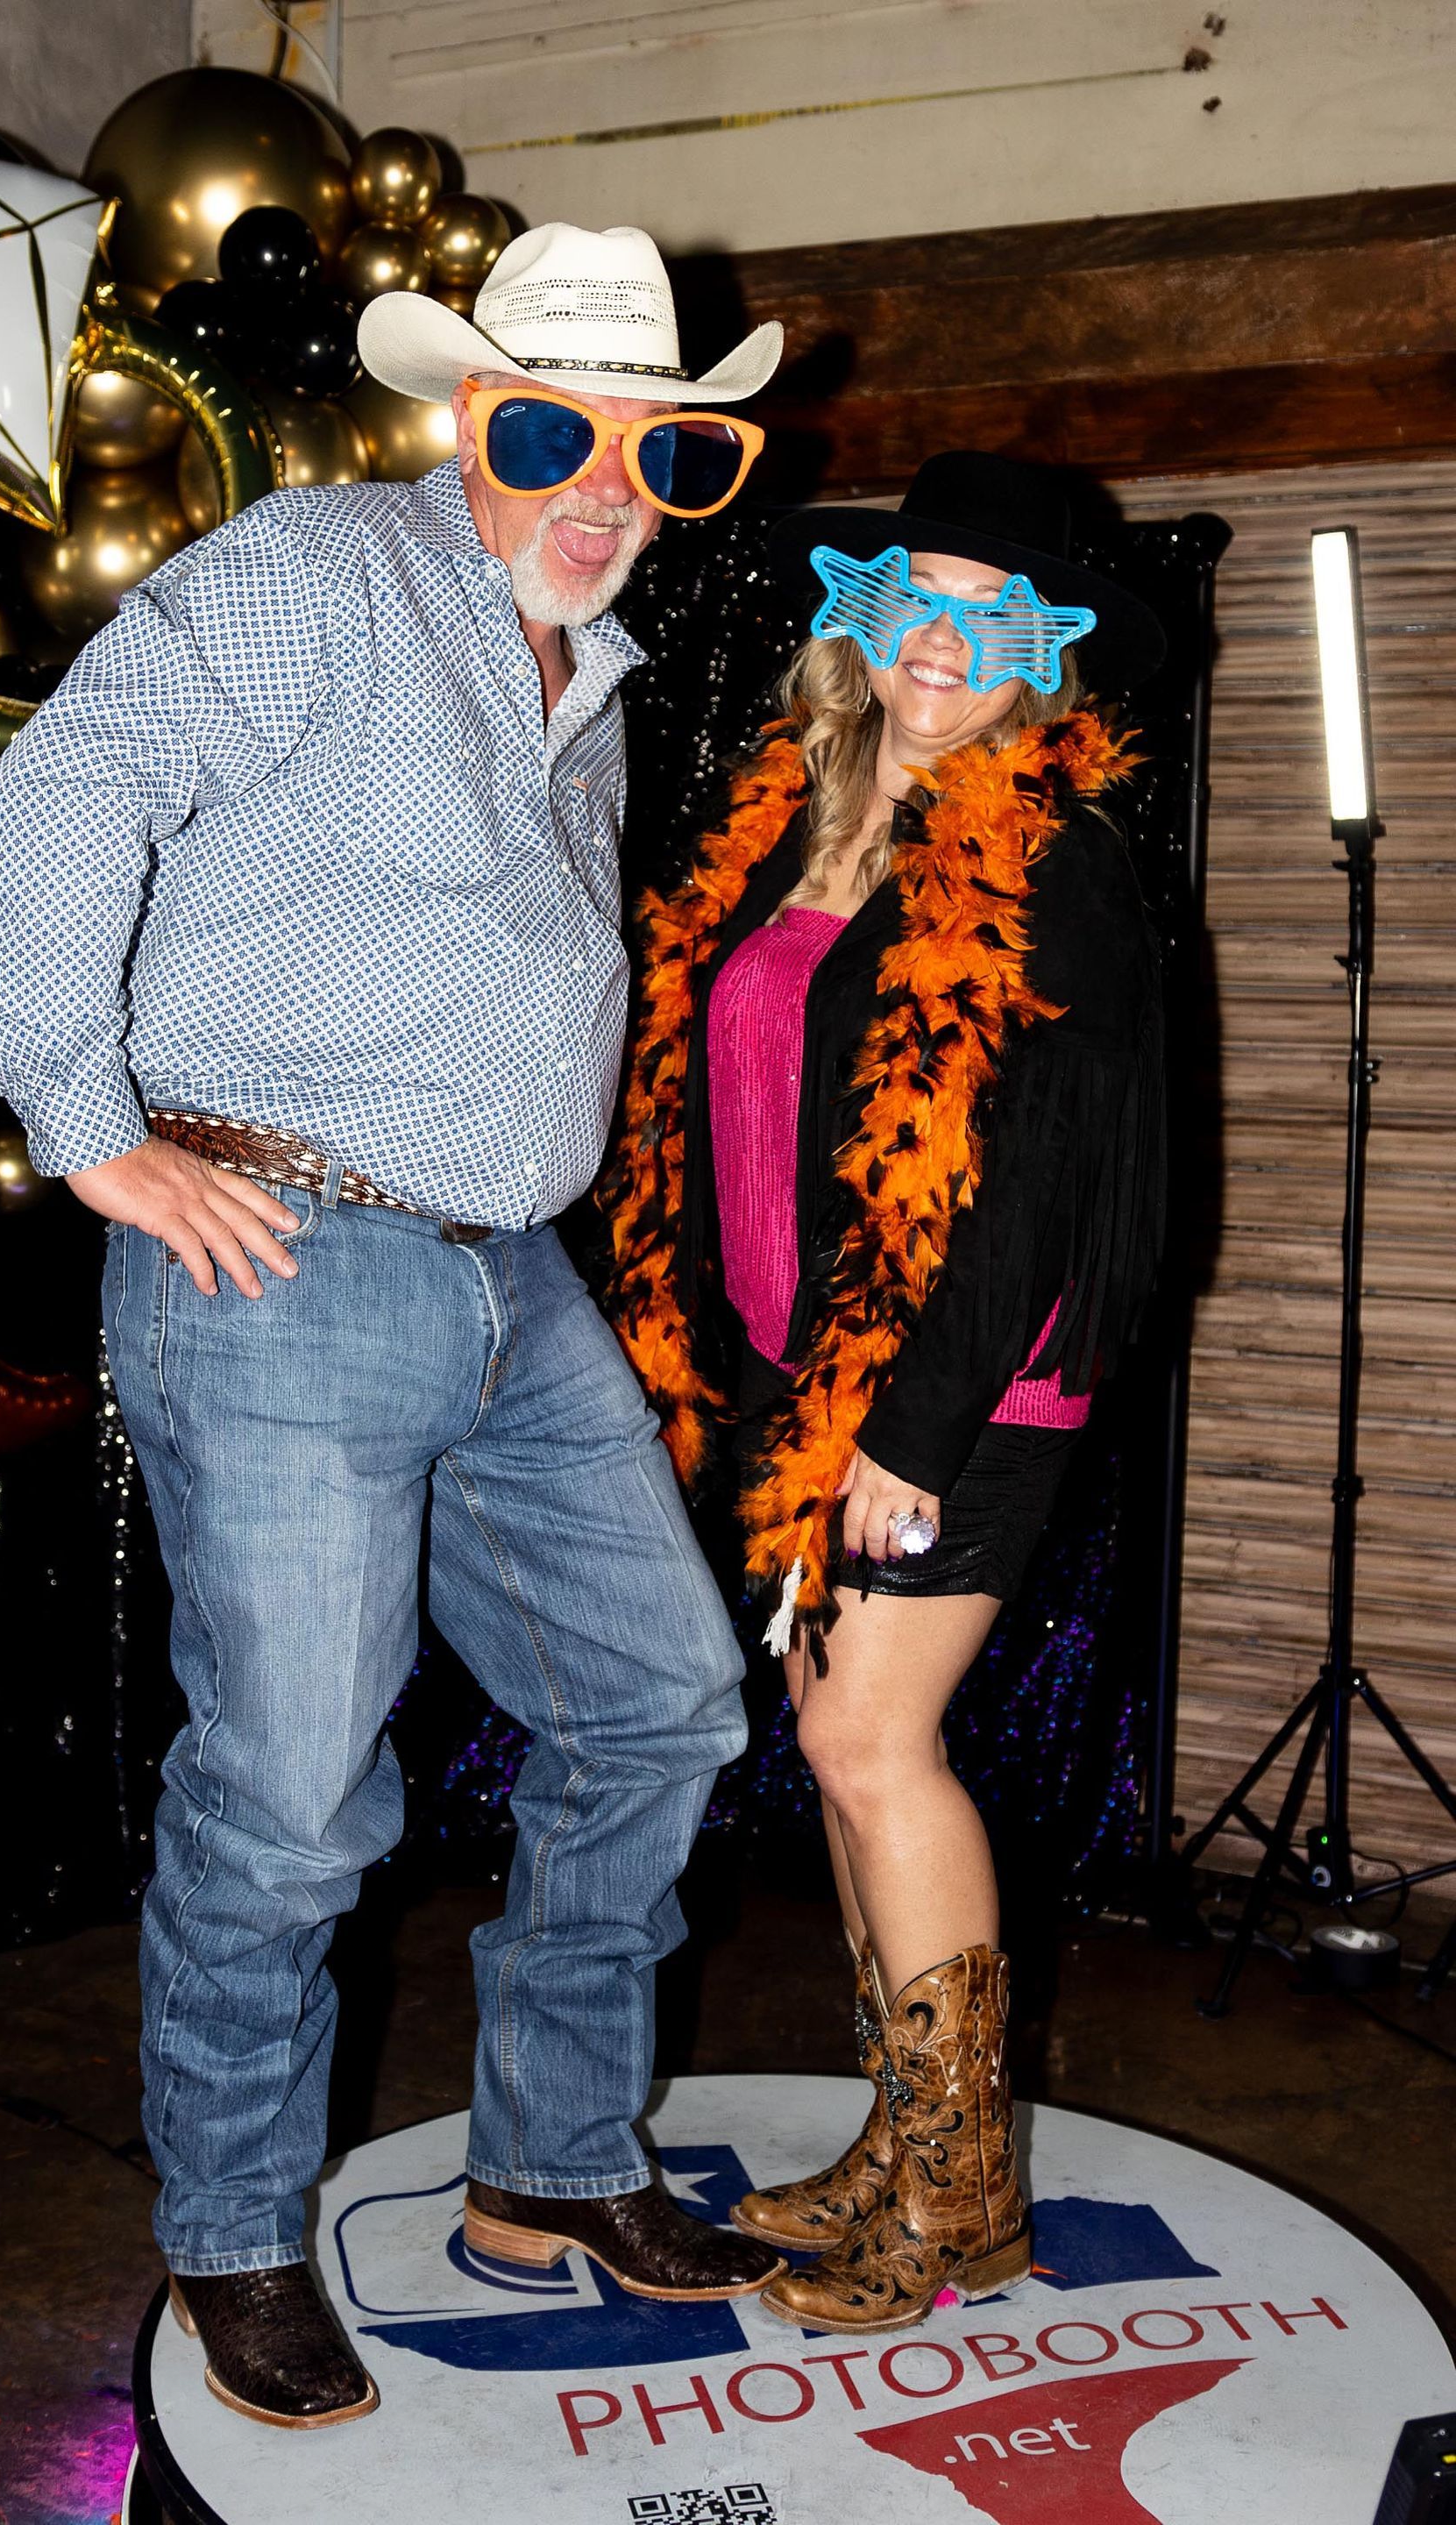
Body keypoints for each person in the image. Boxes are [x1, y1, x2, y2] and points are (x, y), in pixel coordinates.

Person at [0, 224, 788, 2430]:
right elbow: (58, 801)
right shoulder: (321, 573)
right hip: (280, 1261)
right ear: (466, 423)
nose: (602, 487)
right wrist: (91, 1131)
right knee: (298, 1802)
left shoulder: (582, 661)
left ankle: (547, 2167)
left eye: (661, 453)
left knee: (663, 1714)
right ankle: (235, 2229)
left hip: (514, 1279)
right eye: (553, 434)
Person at [600, 451, 1167, 2335]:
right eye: (911, 600)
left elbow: (1041, 1186)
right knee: (842, 1759)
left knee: (867, 1751)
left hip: (967, 1397)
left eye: (990, 615)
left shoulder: (1057, 857)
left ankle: (965, 2194)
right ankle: (905, 2144)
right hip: (794, 1380)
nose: (941, 641)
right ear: (856, 626)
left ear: (1047, 657)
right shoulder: (802, 818)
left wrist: (907, 1436)